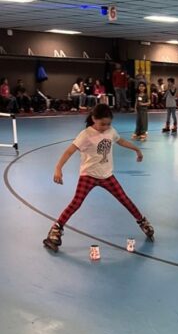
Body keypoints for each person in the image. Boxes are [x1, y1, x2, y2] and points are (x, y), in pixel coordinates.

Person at [43, 104, 153, 252]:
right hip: (88, 175)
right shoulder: (85, 135)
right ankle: (55, 230)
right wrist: (58, 168)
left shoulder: (111, 131)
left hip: (107, 175)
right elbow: (69, 151)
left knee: (125, 200)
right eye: (102, 124)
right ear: (94, 119)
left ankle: (143, 222)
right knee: (76, 203)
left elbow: (120, 141)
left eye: (108, 124)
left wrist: (137, 149)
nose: (106, 127)